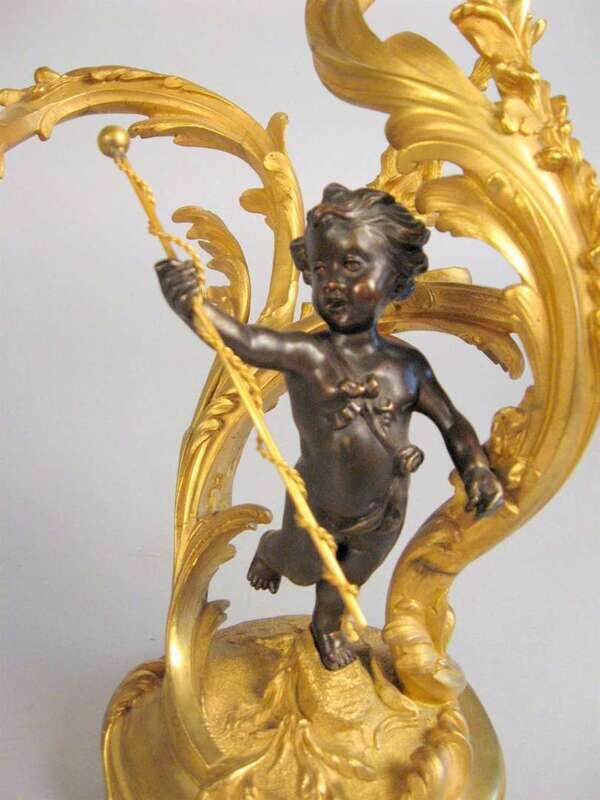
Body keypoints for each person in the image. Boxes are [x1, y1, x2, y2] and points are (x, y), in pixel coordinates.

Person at [155, 183, 504, 670]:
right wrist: (193, 306)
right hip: (315, 506)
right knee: (303, 565)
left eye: (351, 265)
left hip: (385, 510)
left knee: (350, 575)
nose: (333, 283)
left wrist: (476, 469)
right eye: (320, 270)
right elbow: (246, 342)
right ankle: (271, 552)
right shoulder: (309, 355)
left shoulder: (407, 367)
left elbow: (453, 423)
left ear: (396, 278)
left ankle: (325, 626)